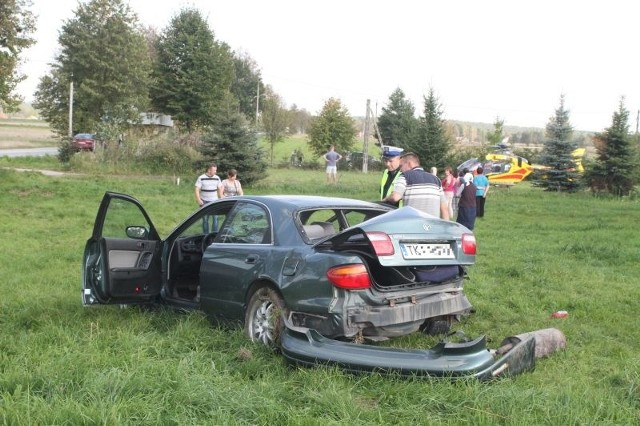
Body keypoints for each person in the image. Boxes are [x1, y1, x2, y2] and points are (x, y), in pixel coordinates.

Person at [383, 152, 449, 220]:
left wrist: (386, 199)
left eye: (401, 166)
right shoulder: (436, 180)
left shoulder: (405, 176)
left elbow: (395, 197)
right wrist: (446, 227)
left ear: (409, 163)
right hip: (432, 226)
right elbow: (444, 209)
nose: (400, 170)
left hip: (413, 225)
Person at [194, 163, 222, 232]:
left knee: (215, 219)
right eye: (214, 170)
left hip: (214, 201)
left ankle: (214, 234)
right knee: (205, 220)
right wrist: (199, 200)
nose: (215, 172)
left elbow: (220, 188)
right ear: (209, 170)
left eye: (216, 170)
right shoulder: (201, 178)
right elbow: (197, 189)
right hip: (204, 201)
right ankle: (205, 235)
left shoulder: (217, 178)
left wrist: (221, 198)